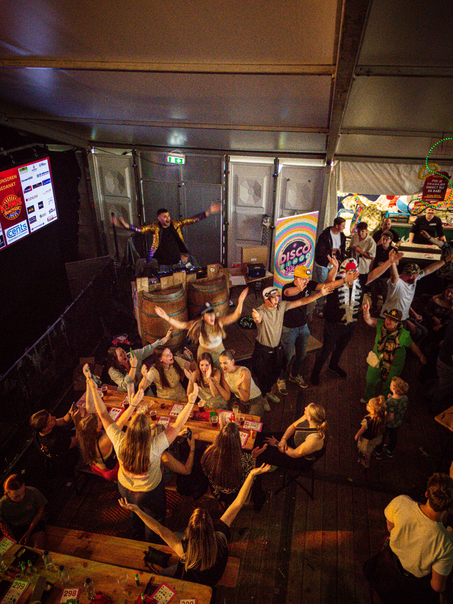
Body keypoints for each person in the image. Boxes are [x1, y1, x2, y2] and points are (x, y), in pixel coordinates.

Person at [118, 463, 271, 587]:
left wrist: (137, 511)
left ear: (190, 531)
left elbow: (159, 529)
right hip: (213, 579)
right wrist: (251, 475)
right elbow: (237, 504)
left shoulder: (185, 551)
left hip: (192, 579)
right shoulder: (221, 536)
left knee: (159, 576)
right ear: (211, 525)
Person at [91, 374, 198, 541]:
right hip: (150, 492)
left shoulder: (119, 440)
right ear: (148, 432)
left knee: (134, 514)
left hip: (125, 487)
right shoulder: (154, 447)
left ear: (130, 430)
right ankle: (151, 545)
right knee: (155, 521)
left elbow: (103, 414)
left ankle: (136, 539)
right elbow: (178, 425)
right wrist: (191, 402)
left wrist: (92, 388)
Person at [310, 249, 403, 386]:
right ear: (344, 272)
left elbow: (375, 273)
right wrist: (338, 273)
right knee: (326, 350)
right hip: (333, 324)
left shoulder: (360, 281)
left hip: (351, 324)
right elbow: (328, 283)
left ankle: (333, 365)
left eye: (355, 272)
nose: (353, 275)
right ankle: (315, 373)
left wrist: (390, 262)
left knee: (341, 348)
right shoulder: (335, 282)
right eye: (350, 272)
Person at [364, 473, 453, 604]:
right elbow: (437, 586)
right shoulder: (445, 543)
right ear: (449, 507)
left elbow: (390, 527)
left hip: (386, 568)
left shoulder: (402, 502)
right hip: (410, 588)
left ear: (427, 494)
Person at [252, 283, 333, 403]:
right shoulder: (261, 311)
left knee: (274, 373)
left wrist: (320, 294)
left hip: (276, 347)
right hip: (263, 348)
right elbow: (258, 317)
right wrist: (256, 317)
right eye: (273, 298)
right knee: (262, 375)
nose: (276, 300)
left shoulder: (281, 306)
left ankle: (267, 393)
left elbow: (301, 301)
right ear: (266, 299)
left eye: (277, 297)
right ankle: (261, 399)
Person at [155, 286, 249, 367]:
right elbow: (182, 325)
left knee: (222, 372)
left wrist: (240, 301)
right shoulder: (198, 325)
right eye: (208, 315)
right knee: (204, 375)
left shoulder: (219, 322)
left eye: (212, 314)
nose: (212, 317)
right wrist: (166, 317)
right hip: (204, 353)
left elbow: (235, 316)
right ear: (203, 317)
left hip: (219, 353)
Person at [112, 202, 221, 270]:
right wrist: (126, 225)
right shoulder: (155, 227)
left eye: (168, 216)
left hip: (178, 262)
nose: (168, 218)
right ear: (159, 218)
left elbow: (191, 220)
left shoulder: (176, 224)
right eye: (164, 216)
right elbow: (141, 230)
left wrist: (208, 212)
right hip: (163, 264)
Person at [361, 304, 426, 402]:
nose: (388, 321)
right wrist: (366, 310)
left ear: (397, 323)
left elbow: (412, 345)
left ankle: (383, 401)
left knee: (388, 385)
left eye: (392, 320)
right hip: (377, 359)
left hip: (394, 364)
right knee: (370, 379)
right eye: (387, 318)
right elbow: (368, 319)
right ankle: (368, 397)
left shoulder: (403, 334)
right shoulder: (380, 324)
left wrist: (421, 355)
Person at [201, 421, 264, 507]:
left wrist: (214, 444)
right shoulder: (245, 459)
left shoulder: (208, 454)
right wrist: (254, 457)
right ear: (238, 441)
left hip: (216, 491)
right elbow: (250, 480)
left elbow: (205, 472)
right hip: (235, 495)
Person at [255, 403, 329, 469]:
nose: (305, 408)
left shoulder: (314, 439)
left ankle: (270, 465)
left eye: (307, 409)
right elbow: (293, 426)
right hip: (292, 441)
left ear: (310, 418)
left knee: (262, 453)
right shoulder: (309, 418)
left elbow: (294, 454)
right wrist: (283, 439)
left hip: (296, 459)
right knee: (262, 437)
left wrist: (277, 444)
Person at [380, 258, 447, 324]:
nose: (418, 276)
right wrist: (392, 262)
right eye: (417, 275)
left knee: (422, 332)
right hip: (390, 318)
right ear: (411, 276)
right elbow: (394, 275)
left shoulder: (413, 279)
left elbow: (428, 270)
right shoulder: (397, 283)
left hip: (403, 318)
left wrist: (446, 260)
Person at [107, 332, 172, 392]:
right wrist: (133, 367)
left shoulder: (133, 355)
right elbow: (125, 386)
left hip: (142, 388)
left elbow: (149, 348)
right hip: (127, 393)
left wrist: (166, 338)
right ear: (114, 359)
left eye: (123, 351)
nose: (124, 354)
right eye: (120, 355)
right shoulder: (112, 371)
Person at [0, 474, 47, 548]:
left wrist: (29, 532)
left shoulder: (33, 492)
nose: (22, 497)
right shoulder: (2, 504)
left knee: (38, 548)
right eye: (17, 496)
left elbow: (40, 510)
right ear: (6, 494)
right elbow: (3, 522)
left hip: (33, 523)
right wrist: (11, 538)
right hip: (16, 528)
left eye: (23, 492)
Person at [313, 216, 347, 317]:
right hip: (323, 264)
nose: (344, 228)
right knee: (323, 285)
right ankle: (319, 307)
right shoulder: (324, 235)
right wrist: (331, 252)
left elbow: (342, 249)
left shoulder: (342, 236)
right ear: (336, 225)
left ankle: (328, 306)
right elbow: (320, 250)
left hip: (334, 264)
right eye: (343, 226)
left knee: (332, 285)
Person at [218, 349, 267, 417]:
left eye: (225, 363)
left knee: (250, 423)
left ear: (232, 362)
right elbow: (227, 397)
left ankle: (263, 402)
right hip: (240, 401)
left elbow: (246, 398)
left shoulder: (244, 372)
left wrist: (238, 387)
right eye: (220, 363)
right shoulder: (224, 374)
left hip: (254, 400)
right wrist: (215, 383)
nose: (222, 366)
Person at [29, 405, 79, 470]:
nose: (54, 417)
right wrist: (77, 420)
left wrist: (70, 413)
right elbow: (79, 440)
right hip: (74, 459)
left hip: (70, 439)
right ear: (45, 428)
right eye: (51, 419)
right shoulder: (55, 442)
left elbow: (64, 420)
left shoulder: (39, 431)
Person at [373, 377, 409, 460]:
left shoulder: (390, 402)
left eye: (391, 385)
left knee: (382, 437)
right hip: (398, 422)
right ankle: (390, 451)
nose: (390, 385)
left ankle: (378, 452)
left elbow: (390, 416)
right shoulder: (405, 398)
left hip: (389, 424)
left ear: (395, 390)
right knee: (393, 437)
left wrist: (383, 422)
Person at [355, 396, 387, 468]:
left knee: (367, 452)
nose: (366, 405)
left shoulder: (367, 420)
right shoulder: (382, 416)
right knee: (372, 446)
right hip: (376, 437)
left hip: (366, 440)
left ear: (373, 410)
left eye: (368, 405)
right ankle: (372, 450)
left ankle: (366, 463)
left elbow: (362, 430)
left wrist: (357, 435)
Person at [369, 230, 395, 312]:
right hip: (376, 274)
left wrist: (386, 264)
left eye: (386, 239)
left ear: (390, 240)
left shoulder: (392, 250)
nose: (384, 241)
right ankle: (374, 306)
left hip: (386, 275)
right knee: (373, 290)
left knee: (385, 292)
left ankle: (385, 308)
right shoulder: (377, 249)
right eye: (383, 239)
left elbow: (395, 263)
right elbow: (372, 261)